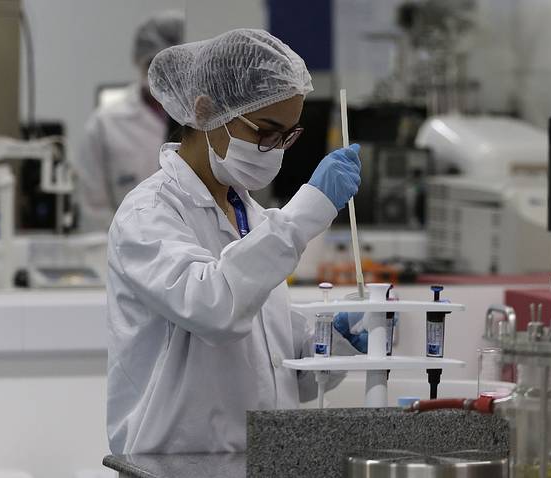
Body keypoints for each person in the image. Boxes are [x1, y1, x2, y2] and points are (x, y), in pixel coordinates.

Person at [105, 29, 365, 455]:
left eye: (287, 136)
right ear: (206, 110)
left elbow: (269, 371)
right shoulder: (148, 215)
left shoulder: (252, 216)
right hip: (176, 463)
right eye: (266, 131)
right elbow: (215, 306)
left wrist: (327, 345)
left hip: (255, 459)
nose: (275, 148)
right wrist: (309, 210)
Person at [72, 11, 184, 232]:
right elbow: (93, 211)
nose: (165, 75)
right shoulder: (106, 124)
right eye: (154, 64)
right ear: (138, 61)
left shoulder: (208, 122)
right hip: (126, 253)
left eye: (175, 65)